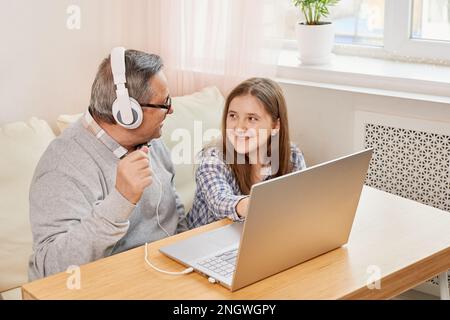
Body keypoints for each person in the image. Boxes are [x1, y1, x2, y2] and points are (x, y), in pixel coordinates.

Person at [28, 48, 187, 280]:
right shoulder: (61, 166)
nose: (171, 110)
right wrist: (120, 200)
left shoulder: (148, 139)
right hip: (100, 286)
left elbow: (174, 212)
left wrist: (187, 261)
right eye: (164, 103)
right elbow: (51, 268)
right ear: (128, 113)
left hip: (158, 278)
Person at [187, 77, 306, 228]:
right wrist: (252, 205)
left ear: (275, 125)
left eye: (251, 118)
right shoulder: (212, 160)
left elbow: (301, 204)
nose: (239, 128)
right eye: (233, 116)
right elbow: (219, 201)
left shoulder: (292, 156)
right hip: (205, 243)